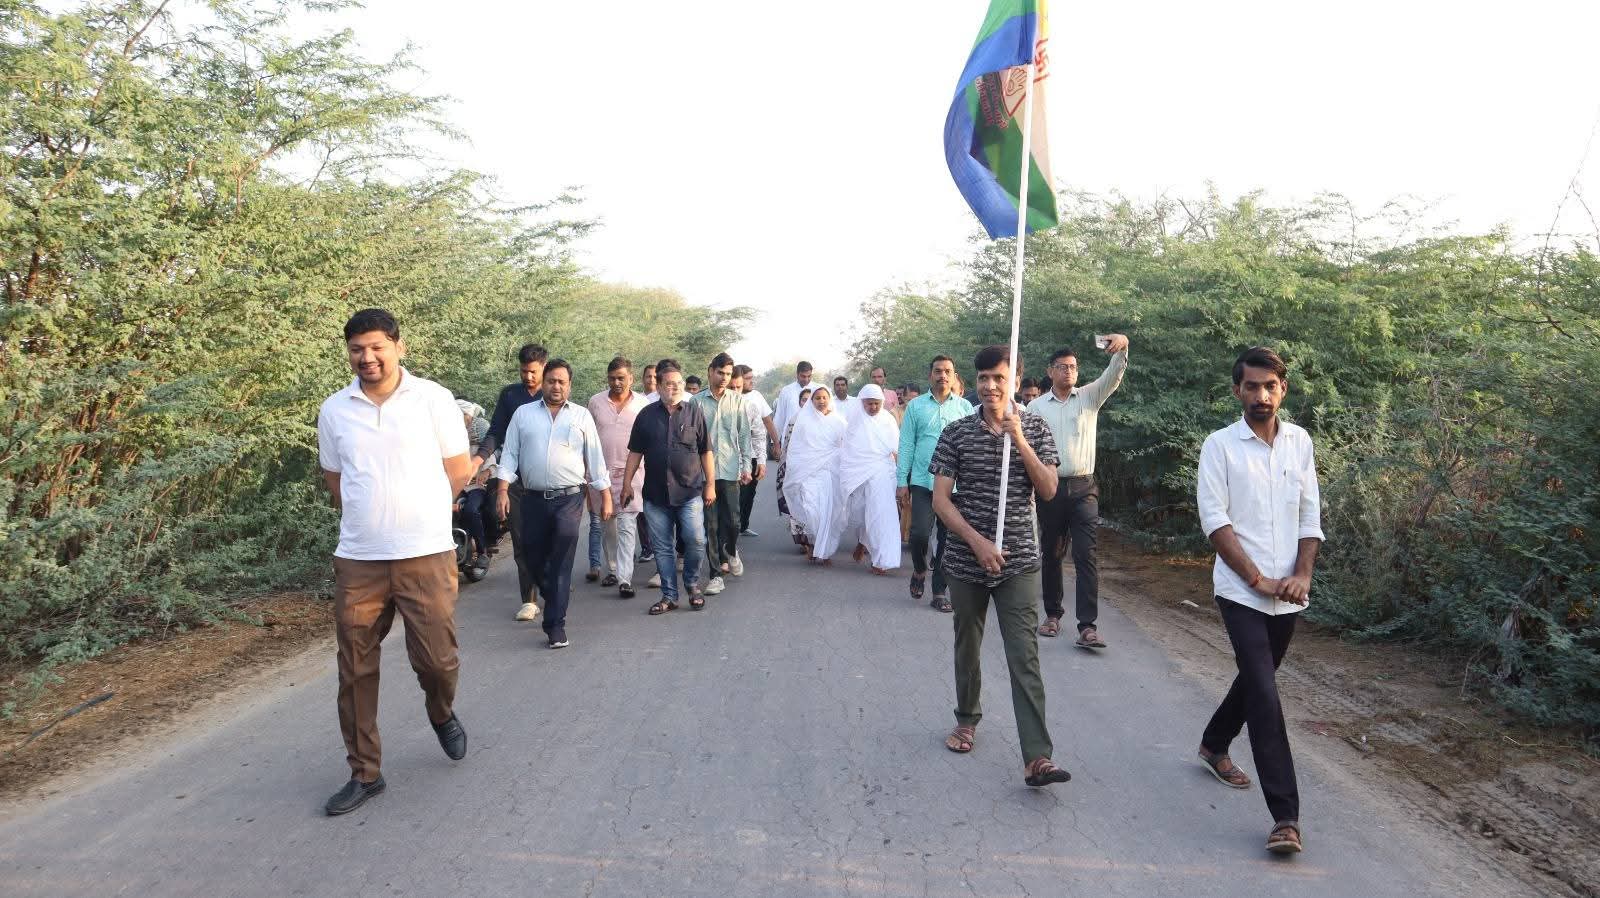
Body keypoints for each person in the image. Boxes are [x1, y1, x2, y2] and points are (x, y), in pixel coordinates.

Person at [316, 308, 473, 815]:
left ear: (399, 347)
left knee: (437, 662)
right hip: (359, 560)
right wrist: (371, 521)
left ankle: (440, 710)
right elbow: (336, 481)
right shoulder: (334, 410)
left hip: (425, 555)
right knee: (355, 669)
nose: (367, 357)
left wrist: (419, 515)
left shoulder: (433, 399)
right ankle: (365, 772)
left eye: (377, 347)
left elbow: (457, 471)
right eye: (357, 349)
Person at [1194, 346, 1323, 855]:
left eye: (1270, 386)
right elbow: (1216, 522)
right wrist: (1256, 579)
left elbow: (1309, 516)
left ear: (1282, 389)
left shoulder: (1300, 443)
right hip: (1239, 591)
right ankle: (1286, 817)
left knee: (1256, 679)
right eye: (1252, 386)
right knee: (1265, 696)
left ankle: (1213, 744)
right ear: (1237, 391)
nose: (1261, 395)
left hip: (1288, 595)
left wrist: (1302, 574)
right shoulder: (1219, 446)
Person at [932, 344, 1068, 788]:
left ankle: (1037, 756)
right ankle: (966, 719)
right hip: (965, 560)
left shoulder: (1037, 427)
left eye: (999, 378)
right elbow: (941, 501)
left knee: (1023, 655)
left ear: (1016, 381)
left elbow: (1048, 489)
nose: (990, 386)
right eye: (983, 378)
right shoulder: (956, 433)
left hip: (1019, 561)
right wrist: (976, 543)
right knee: (967, 644)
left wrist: (1019, 439)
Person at [495, 359, 612, 649]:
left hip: (569, 498)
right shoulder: (523, 414)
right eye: (551, 381)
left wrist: (605, 494)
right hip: (531, 498)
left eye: (562, 382)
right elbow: (509, 453)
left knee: (562, 554)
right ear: (543, 383)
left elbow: (595, 457)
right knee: (531, 557)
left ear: (569, 386)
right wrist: (502, 489)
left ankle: (556, 625)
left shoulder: (581, 416)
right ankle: (555, 594)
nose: (556, 386)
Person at [1028, 336, 1129, 648]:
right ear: (1050, 371)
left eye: (1073, 367)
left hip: (1084, 488)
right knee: (1052, 552)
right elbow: (1027, 451)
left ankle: (1087, 626)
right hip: (1050, 487)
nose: (1069, 371)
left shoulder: (1089, 396)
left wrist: (1123, 347)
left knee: (1086, 554)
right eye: (1062, 367)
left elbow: (1113, 375)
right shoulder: (1035, 407)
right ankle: (1052, 615)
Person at [623, 359, 714, 613]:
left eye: (678, 384)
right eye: (668, 384)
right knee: (662, 548)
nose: (674, 388)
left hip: (689, 492)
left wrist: (710, 484)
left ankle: (692, 583)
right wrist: (627, 484)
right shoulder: (646, 415)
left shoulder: (694, 412)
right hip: (656, 495)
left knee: (696, 540)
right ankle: (669, 596)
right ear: (659, 386)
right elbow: (635, 452)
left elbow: (706, 451)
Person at [897, 356, 973, 612]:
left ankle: (939, 592)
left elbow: (971, 447)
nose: (943, 375)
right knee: (918, 534)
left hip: (955, 485)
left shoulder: (964, 407)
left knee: (947, 540)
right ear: (930, 375)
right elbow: (906, 444)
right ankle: (919, 569)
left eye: (948, 371)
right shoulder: (916, 406)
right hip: (923, 481)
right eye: (938, 371)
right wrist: (902, 481)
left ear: (954, 376)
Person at [478, 343, 547, 622]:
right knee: (521, 539)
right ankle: (529, 600)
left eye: (533, 372)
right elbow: (496, 431)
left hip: (548, 480)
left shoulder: (553, 392)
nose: (528, 377)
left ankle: (550, 580)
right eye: (523, 371)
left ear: (544, 368)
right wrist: (479, 457)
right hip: (516, 479)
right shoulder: (510, 395)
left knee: (549, 539)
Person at [813, 384, 900, 573]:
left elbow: (896, 450)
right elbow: (847, 451)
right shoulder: (854, 422)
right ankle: (862, 542)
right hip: (857, 476)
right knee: (861, 515)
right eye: (869, 404)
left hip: (883, 473)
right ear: (862, 403)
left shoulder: (888, 420)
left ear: (882, 402)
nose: (873, 407)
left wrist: (901, 479)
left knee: (881, 516)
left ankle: (882, 561)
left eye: (876, 403)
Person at [587, 356, 649, 598]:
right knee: (608, 526)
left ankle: (625, 578)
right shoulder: (595, 402)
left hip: (632, 475)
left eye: (621, 378)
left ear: (631, 378)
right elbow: (587, 440)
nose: (616, 383)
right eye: (612, 378)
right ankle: (612, 568)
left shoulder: (642, 404)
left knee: (627, 525)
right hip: (600, 476)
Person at [693, 353, 754, 593]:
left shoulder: (738, 401)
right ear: (710, 371)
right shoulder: (696, 402)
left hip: (730, 470)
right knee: (711, 525)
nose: (724, 378)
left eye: (728, 374)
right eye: (720, 373)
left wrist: (746, 467)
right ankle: (715, 575)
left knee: (733, 522)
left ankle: (730, 550)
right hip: (704, 473)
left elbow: (744, 435)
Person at [784, 386, 848, 560]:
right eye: (817, 398)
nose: (821, 401)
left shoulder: (839, 421)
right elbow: (796, 449)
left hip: (832, 472)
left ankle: (825, 551)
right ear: (811, 401)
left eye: (824, 397)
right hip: (809, 472)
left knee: (830, 512)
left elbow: (846, 445)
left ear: (829, 399)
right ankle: (813, 542)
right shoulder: (803, 421)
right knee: (811, 510)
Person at [733, 364, 780, 537]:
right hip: (730, 457)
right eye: (747, 379)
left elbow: (766, 423)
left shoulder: (756, 397)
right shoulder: (725, 398)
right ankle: (731, 530)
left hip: (751, 454)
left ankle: (742, 526)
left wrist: (775, 443)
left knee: (749, 493)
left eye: (751, 378)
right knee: (735, 495)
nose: (751, 382)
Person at [454, 399, 496, 578]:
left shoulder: (480, 431)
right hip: (454, 485)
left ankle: (482, 552)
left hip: (475, 485)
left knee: (471, 510)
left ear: (468, 415)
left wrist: (487, 471)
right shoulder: (450, 435)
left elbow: (489, 456)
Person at [775, 385, 818, 546]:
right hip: (795, 468)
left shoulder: (823, 420)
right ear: (800, 402)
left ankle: (814, 537)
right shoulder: (794, 420)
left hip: (816, 469)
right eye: (803, 400)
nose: (806, 403)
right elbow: (787, 447)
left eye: (809, 400)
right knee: (798, 501)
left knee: (813, 503)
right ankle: (803, 538)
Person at [773, 360, 814, 439]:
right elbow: (780, 417)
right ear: (797, 374)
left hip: (811, 437)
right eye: (803, 376)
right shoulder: (786, 391)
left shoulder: (817, 390)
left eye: (809, 376)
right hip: (790, 437)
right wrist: (775, 441)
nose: (806, 379)